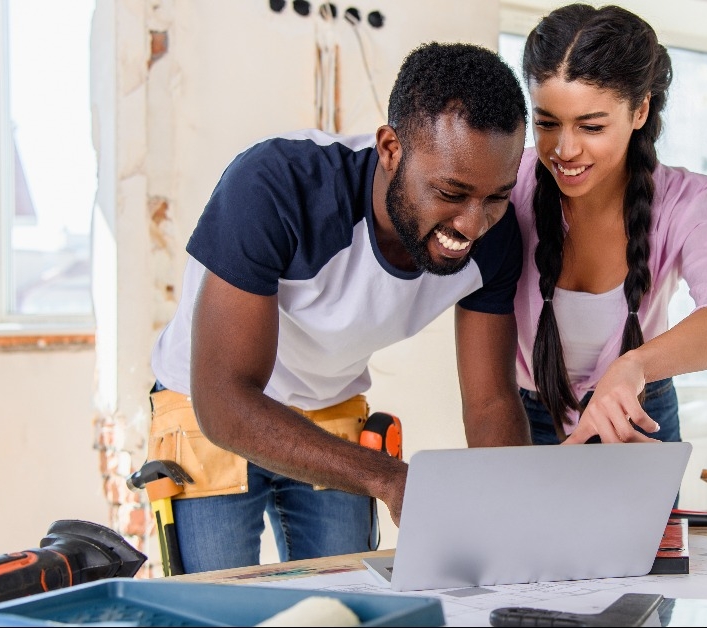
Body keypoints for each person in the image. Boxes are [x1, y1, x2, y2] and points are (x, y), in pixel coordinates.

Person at [145, 42, 531, 573]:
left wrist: (515, 521)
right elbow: (225, 399)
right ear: (391, 149)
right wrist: (389, 477)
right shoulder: (275, 187)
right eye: (450, 192)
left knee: (347, 605)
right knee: (220, 603)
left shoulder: (497, 237)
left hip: (329, 404)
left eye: (496, 197)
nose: (471, 225)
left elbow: (491, 405)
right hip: (207, 403)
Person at [512, 4, 707, 446]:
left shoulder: (685, 202)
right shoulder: (510, 184)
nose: (564, 149)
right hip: (527, 413)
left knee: (658, 522)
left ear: (640, 111)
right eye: (546, 123)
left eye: (591, 125)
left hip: (638, 411)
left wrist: (635, 366)